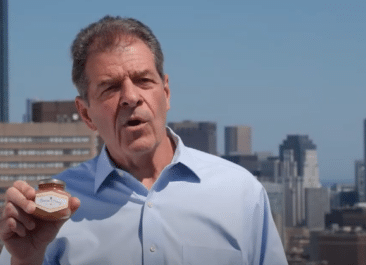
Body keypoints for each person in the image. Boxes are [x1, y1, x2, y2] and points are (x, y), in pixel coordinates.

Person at [0, 16, 287, 264]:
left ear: (167, 93)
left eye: (143, 80)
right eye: (110, 87)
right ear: (86, 114)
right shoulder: (48, 214)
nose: (131, 97)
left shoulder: (240, 194)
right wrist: (25, 261)